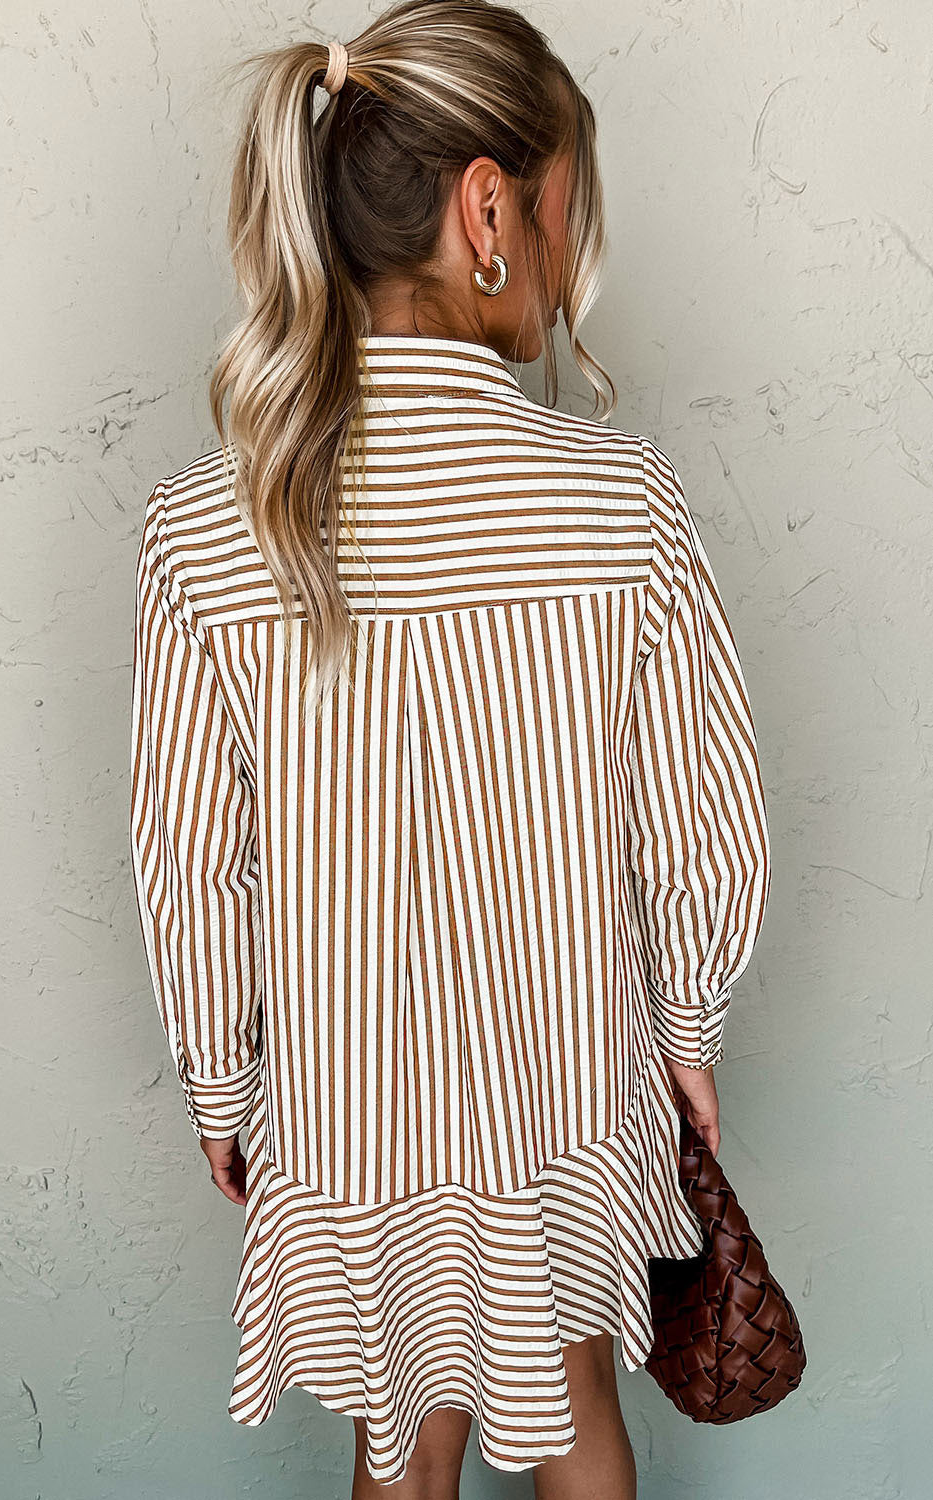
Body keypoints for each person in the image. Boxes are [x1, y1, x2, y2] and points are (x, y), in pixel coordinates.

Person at [128, 1, 773, 1495]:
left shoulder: (203, 528)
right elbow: (699, 822)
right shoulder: (623, 503)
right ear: (489, 207)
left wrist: (223, 1092)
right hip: (567, 1088)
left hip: (351, 1120)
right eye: (558, 216)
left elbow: (189, 865)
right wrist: (687, 1026)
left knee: (395, 1441)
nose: (562, 263)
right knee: (580, 1413)